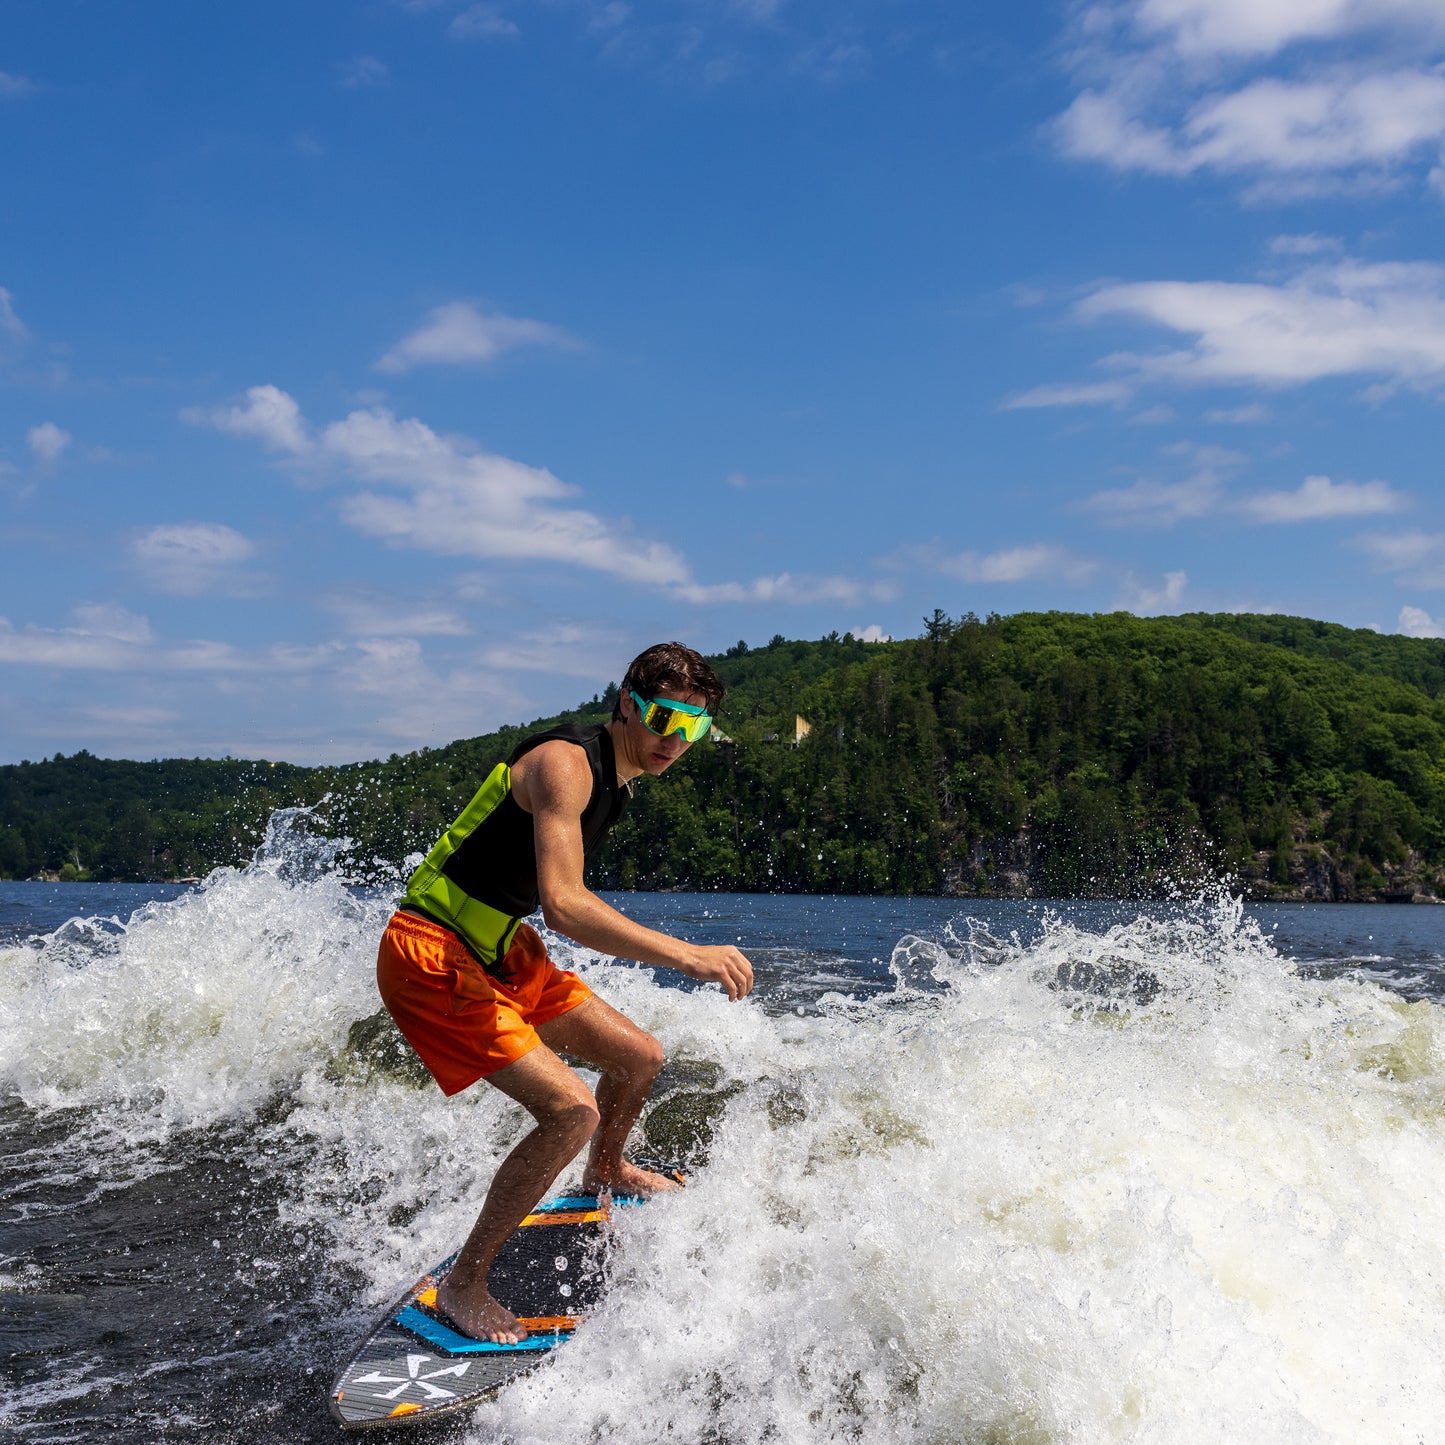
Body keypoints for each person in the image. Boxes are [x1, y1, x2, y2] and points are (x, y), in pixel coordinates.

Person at [375, 641, 754, 1344]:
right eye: (665, 718)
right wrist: (685, 954)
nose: (676, 739)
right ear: (628, 704)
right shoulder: (565, 764)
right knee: (570, 1109)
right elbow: (565, 905)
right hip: (431, 950)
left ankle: (606, 1170)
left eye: (693, 726)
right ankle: (463, 1285)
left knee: (638, 1056)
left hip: (497, 947)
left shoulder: (623, 774)